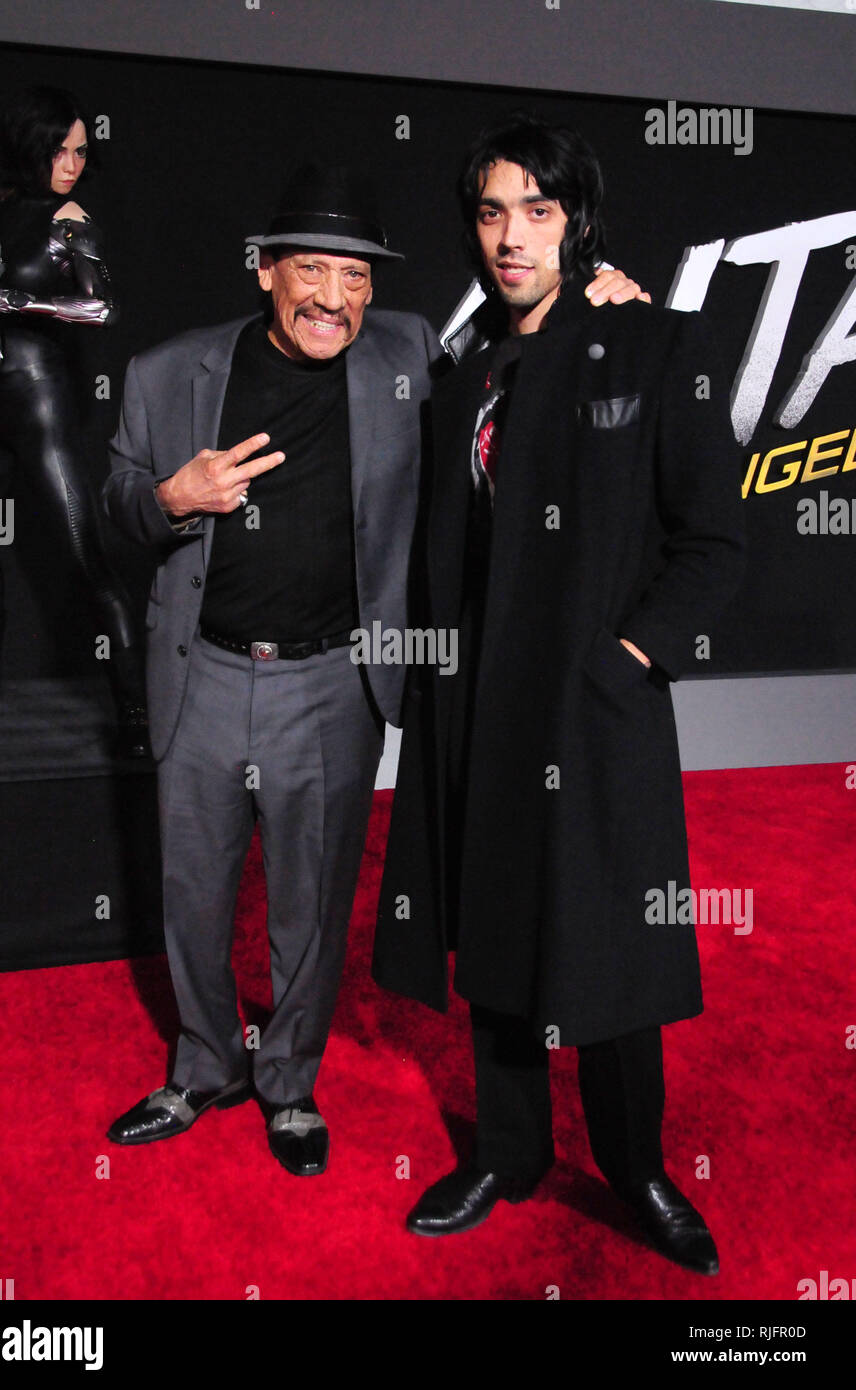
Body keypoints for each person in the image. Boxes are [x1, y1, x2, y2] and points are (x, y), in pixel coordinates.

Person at [102, 162, 643, 1176]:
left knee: (313, 900)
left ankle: (289, 1085)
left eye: (356, 277)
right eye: (313, 270)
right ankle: (205, 1063)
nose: (336, 298)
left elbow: (526, 342)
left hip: (332, 684)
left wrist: (600, 292)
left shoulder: (409, 357)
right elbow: (112, 509)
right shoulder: (167, 374)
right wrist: (174, 495)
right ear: (266, 272)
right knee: (193, 895)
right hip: (205, 674)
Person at [373, 112, 746, 1274]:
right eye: (490, 211)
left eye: (535, 209)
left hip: (592, 703)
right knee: (494, 926)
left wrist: (629, 658)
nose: (509, 235)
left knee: (611, 940)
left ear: (576, 220)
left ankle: (635, 1165)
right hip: (480, 697)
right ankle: (508, 1147)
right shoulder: (462, 371)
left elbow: (717, 541)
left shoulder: (650, 344)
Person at [0, 87, 148, 756]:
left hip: (39, 401)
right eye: (61, 150)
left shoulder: (71, 218)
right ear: (32, 146)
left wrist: (15, 298)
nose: (71, 163)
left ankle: (133, 708)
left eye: (80, 152)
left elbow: (102, 310)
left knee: (83, 556)